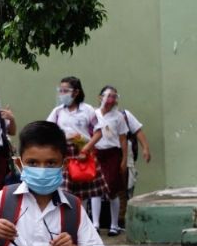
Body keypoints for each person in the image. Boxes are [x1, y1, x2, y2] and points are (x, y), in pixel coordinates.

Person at [48, 76, 108, 229]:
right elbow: (49, 130)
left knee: (85, 192)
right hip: (64, 155)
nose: (61, 94)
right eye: (60, 91)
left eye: (65, 91)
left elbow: (98, 132)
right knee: (64, 190)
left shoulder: (87, 110)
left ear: (75, 92)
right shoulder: (57, 112)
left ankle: (88, 224)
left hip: (83, 153)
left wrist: (86, 149)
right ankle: (66, 223)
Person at [91, 86, 129, 236]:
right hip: (96, 153)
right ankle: (95, 224)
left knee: (112, 189)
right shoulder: (93, 115)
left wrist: (124, 159)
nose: (110, 99)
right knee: (96, 189)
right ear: (100, 98)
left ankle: (114, 225)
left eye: (114, 96)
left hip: (113, 154)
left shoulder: (118, 116)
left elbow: (123, 139)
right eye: (107, 96)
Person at [119, 107, 152, 223]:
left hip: (126, 154)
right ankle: (114, 220)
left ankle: (124, 217)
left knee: (127, 185)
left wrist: (146, 149)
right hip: (107, 155)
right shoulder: (97, 114)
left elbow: (138, 131)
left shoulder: (124, 115)